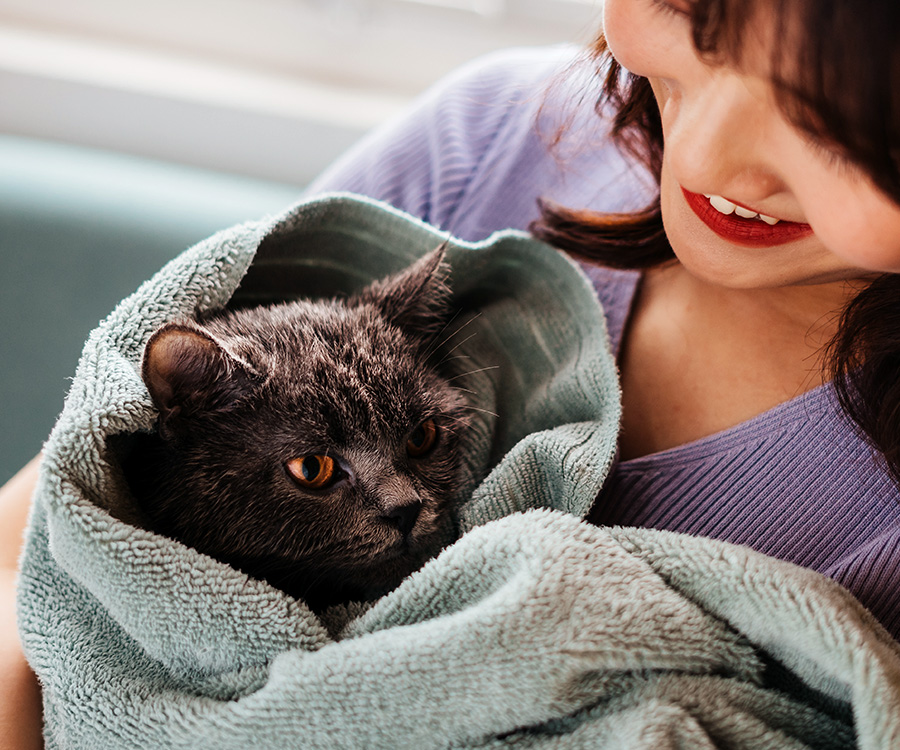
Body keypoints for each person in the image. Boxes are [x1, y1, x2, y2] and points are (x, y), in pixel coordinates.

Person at [3, 0, 900, 743]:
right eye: (692, 16)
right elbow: (39, 550)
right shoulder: (488, 144)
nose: (704, 156)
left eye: (837, 125)